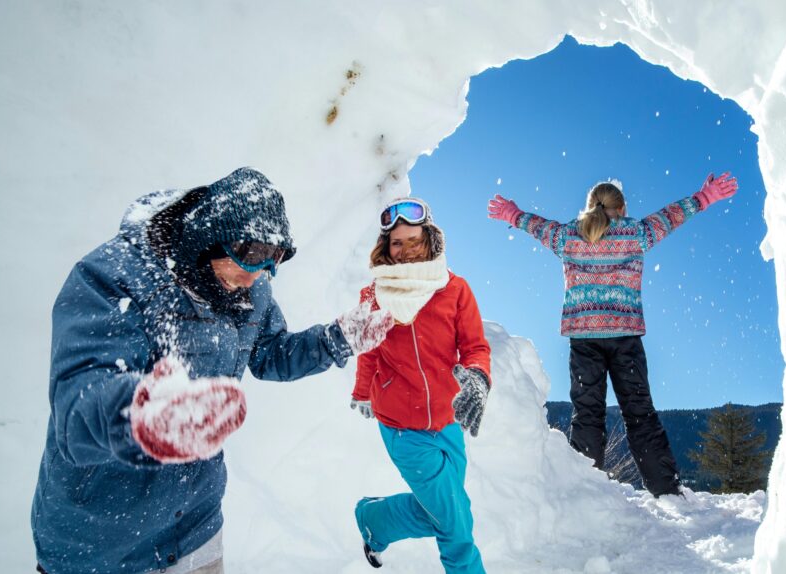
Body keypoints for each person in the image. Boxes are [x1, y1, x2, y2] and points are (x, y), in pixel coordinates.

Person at [31, 167, 393, 574]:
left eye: (273, 259)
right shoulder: (114, 277)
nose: (256, 274)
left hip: (194, 525)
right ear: (209, 236)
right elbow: (77, 405)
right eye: (250, 254)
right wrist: (140, 417)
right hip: (100, 543)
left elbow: (271, 355)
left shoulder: (252, 289)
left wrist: (337, 339)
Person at [487, 173, 738, 497]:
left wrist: (512, 214)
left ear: (590, 206)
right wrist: (704, 198)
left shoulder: (569, 236)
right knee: (639, 414)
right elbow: (671, 217)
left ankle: (582, 491)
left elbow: (538, 227)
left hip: (584, 339)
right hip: (625, 338)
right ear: (622, 208)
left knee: (587, 415)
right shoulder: (635, 233)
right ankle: (665, 490)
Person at [349, 197, 491, 573]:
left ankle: (374, 520)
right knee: (456, 527)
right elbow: (369, 350)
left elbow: (475, 347)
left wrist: (478, 376)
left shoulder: (454, 290)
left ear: (430, 239)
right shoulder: (374, 296)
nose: (407, 250)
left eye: (413, 240)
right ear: (386, 248)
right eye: (397, 243)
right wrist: (362, 391)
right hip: (402, 427)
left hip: (448, 421)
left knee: (449, 513)